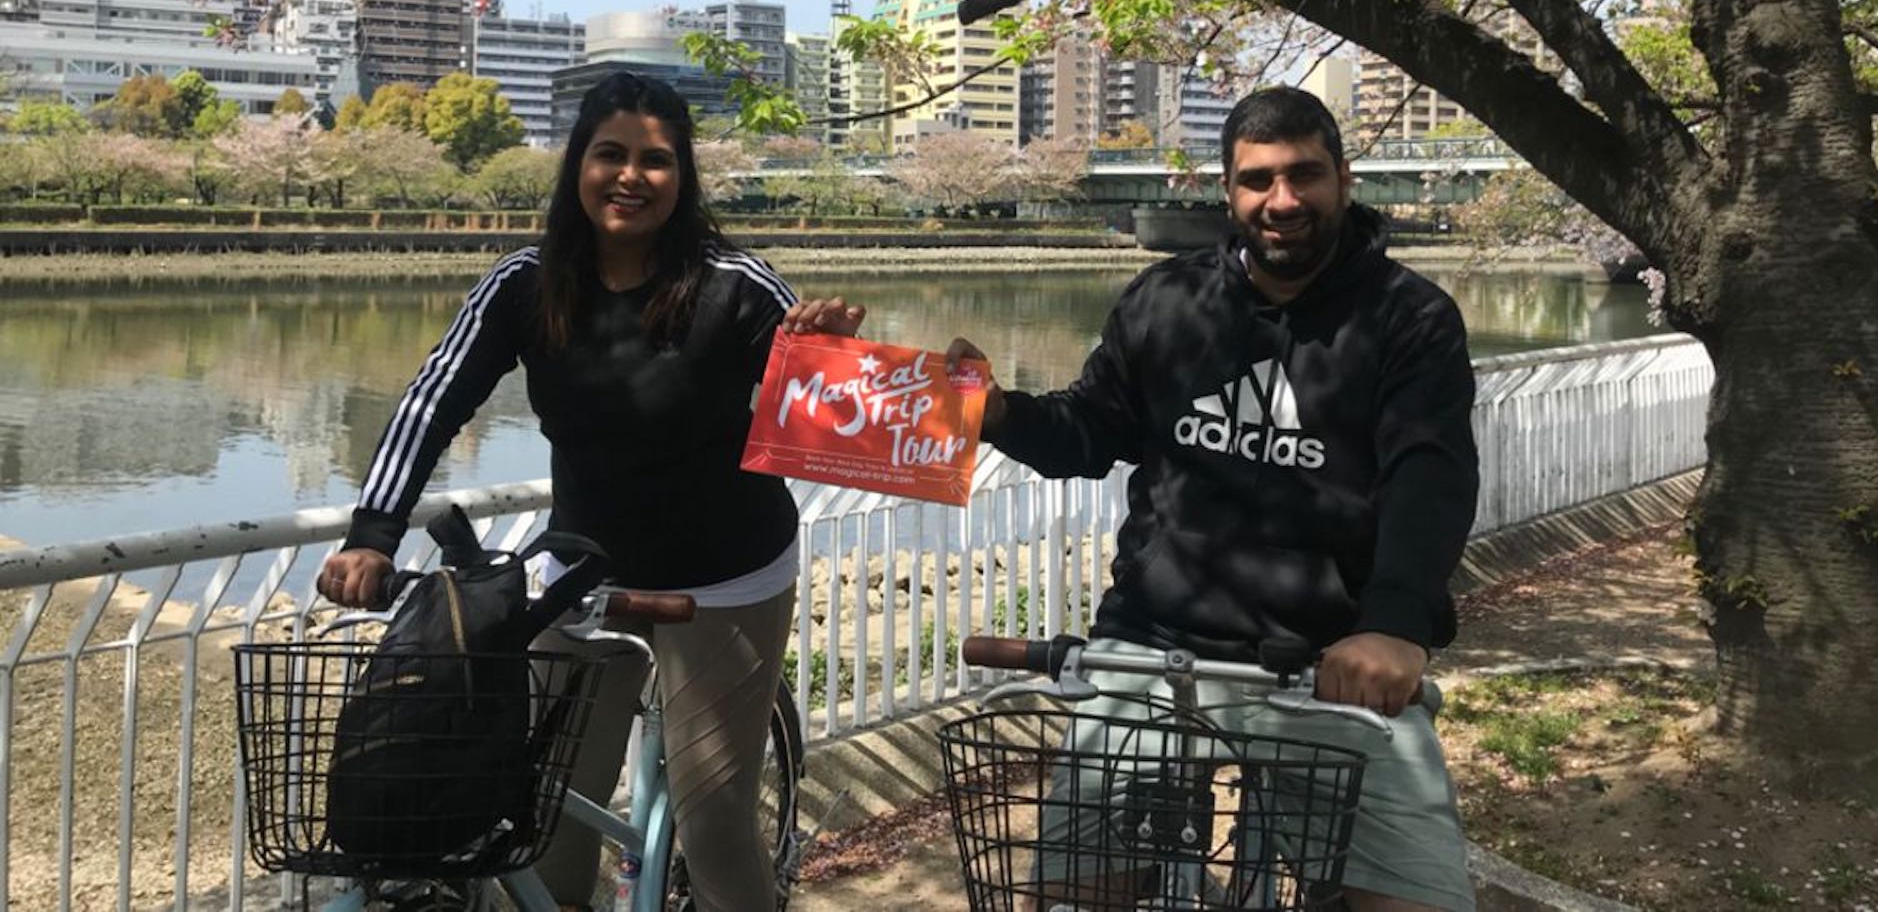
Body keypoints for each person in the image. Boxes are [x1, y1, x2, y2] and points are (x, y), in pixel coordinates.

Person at [317, 72, 861, 912]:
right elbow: (433, 400)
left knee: (714, 820)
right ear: (578, 165)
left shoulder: (739, 285)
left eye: (657, 160)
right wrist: (373, 532)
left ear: (683, 180)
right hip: (581, 575)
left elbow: (832, 411)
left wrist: (825, 354)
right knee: (542, 822)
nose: (631, 176)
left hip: (726, 580)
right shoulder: (524, 285)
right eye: (610, 154)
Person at [946, 86, 1481, 912]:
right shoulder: (1167, 300)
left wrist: (1395, 626)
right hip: (1152, 644)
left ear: (1344, 178)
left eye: (1304, 176)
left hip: (1326, 660)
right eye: (1257, 180)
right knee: (1072, 891)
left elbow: (1430, 475)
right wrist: (1001, 413)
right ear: (1227, 191)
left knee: (1415, 896)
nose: (1283, 201)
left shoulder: (1410, 318)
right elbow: (1091, 429)